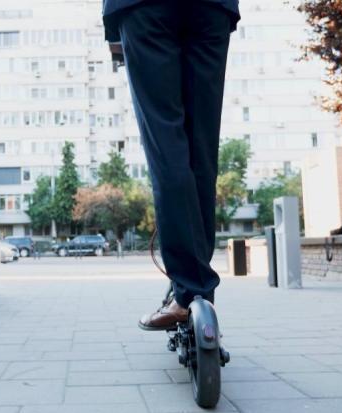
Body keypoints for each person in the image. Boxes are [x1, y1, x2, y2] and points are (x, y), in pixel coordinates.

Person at [102, 0, 240, 330]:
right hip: (212, 9)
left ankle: (189, 291)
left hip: (143, 10)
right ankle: (196, 287)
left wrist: (113, 28)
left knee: (167, 146)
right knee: (202, 153)